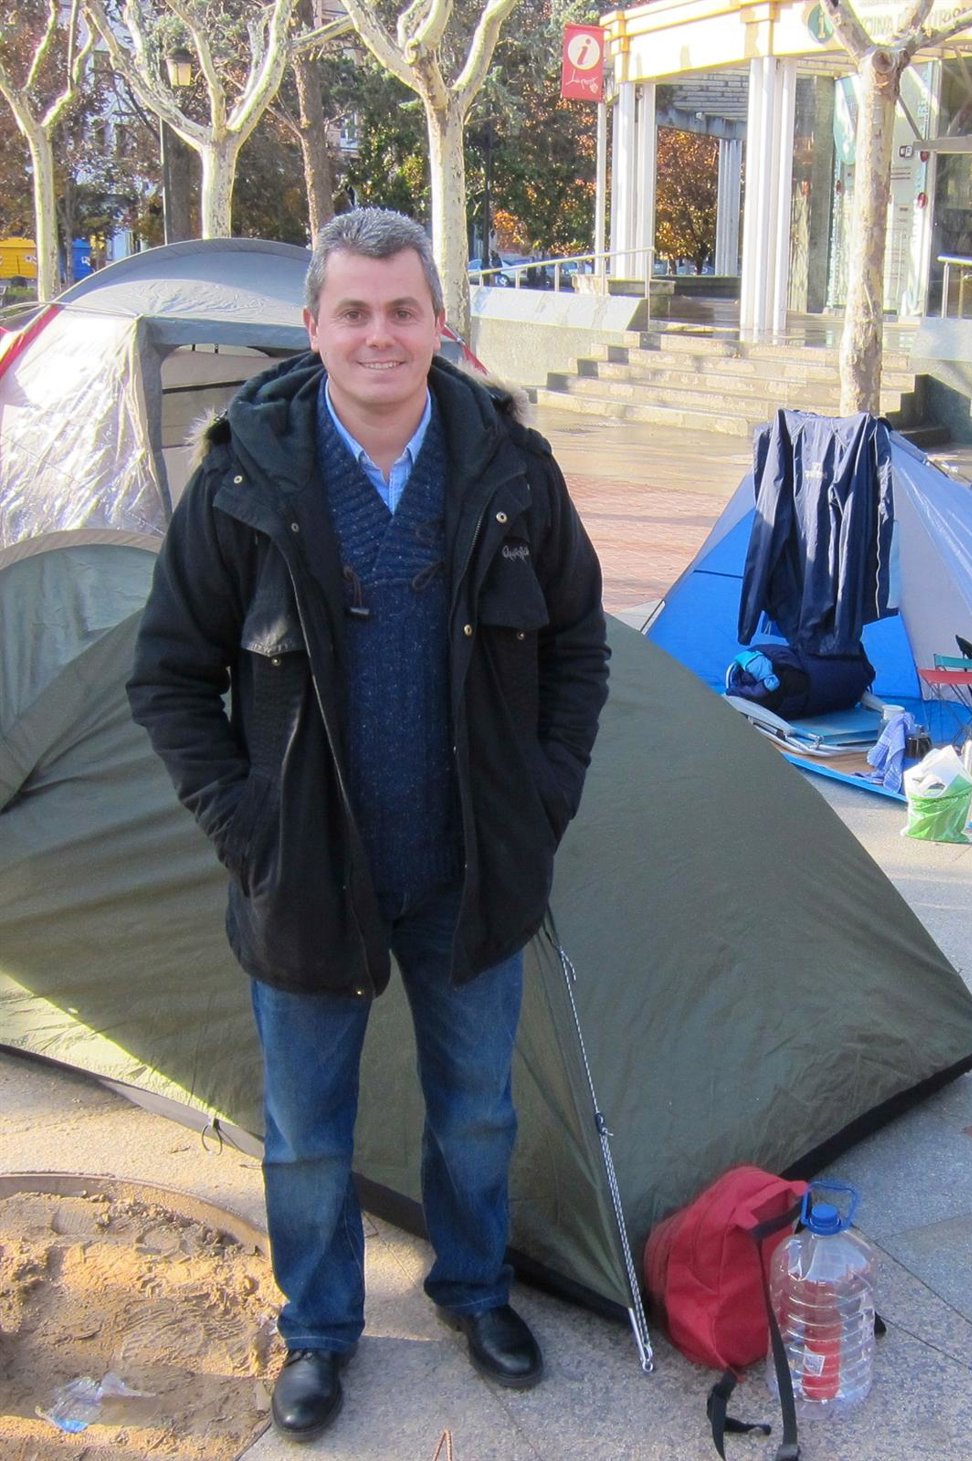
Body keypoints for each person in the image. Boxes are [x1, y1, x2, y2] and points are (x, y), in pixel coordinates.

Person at [127, 208, 609, 1443]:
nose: (379, 335)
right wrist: (251, 829)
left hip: (471, 866)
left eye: (403, 310)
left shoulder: (512, 470)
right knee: (304, 1136)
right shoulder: (243, 476)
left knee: (477, 1112)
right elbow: (167, 678)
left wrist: (542, 799)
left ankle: (476, 1291)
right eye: (354, 312)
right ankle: (320, 1331)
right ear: (313, 326)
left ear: (440, 322)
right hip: (305, 874)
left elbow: (578, 648)